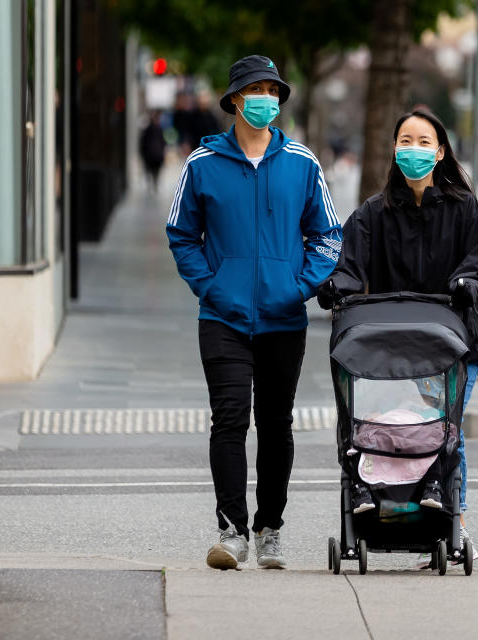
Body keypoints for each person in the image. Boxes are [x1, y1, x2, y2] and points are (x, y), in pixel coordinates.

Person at [166, 55, 342, 570]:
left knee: (276, 423)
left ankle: (270, 529)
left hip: (284, 318)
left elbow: (328, 235)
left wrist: (299, 287)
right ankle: (231, 531)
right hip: (223, 317)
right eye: (257, 89)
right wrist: (210, 287)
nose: (267, 98)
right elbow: (182, 235)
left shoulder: (303, 163)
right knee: (229, 420)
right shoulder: (202, 165)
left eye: (274, 89)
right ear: (236, 99)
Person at [318, 108, 478, 559]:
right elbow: (350, 267)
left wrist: (466, 284)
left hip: (453, 343)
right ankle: (387, 503)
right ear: (394, 150)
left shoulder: (465, 209)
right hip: (389, 346)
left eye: (423, 141)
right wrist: (337, 286)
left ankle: (455, 517)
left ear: (440, 151)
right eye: (405, 141)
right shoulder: (372, 214)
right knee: (388, 425)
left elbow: (477, 262)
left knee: (442, 427)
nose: (413, 149)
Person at [139, 111, 167, 192]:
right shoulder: (153, 129)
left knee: (153, 169)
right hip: (153, 154)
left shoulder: (156, 129)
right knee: (153, 169)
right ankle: (154, 182)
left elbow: (162, 142)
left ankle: (154, 182)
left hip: (153, 154)